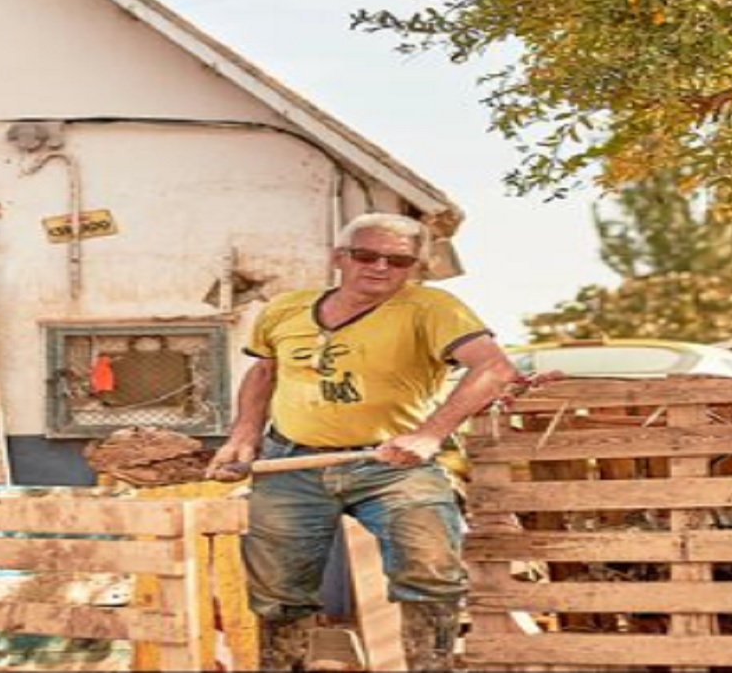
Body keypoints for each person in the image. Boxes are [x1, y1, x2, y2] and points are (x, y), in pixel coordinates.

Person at [207, 212, 527, 671]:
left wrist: (428, 435)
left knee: (431, 571)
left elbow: (495, 368)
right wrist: (244, 434)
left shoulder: (433, 309)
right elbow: (263, 371)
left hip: (393, 465)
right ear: (339, 258)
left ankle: (429, 667)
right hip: (292, 463)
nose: (381, 267)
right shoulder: (285, 309)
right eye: (366, 255)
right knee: (278, 588)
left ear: (413, 267)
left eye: (398, 261)